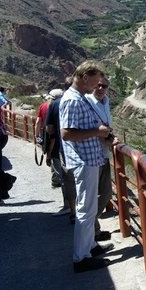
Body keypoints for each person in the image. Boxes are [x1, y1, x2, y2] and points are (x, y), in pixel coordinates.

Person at [60, 61, 114, 273]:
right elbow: (66, 133)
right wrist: (98, 132)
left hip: (89, 160)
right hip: (84, 161)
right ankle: (81, 257)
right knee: (85, 209)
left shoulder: (79, 98)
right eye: (95, 80)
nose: (97, 85)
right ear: (84, 77)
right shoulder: (73, 101)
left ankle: (90, 246)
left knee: (90, 208)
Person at [85, 76, 117, 242]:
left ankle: (92, 227)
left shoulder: (106, 101)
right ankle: (91, 231)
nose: (101, 88)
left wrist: (111, 137)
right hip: (92, 155)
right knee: (91, 196)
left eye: (104, 86)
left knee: (105, 193)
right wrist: (104, 137)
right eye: (98, 85)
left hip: (104, 154)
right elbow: (90, 128)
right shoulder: (87, 102)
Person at [44, 83, 76, 222]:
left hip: (59, 149)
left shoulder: (54, 105)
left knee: (65, 179)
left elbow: (50, 132)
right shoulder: (75, 102)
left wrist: (49, 153)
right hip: (75, 147)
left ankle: (68, 206)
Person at [36, 89, 64, 188]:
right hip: (61, 138)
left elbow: (38, 122)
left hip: (49, 136)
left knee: (54, 159)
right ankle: (57, 180)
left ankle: (56, 180)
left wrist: (37, 136)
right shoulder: (64, 106)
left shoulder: (44, 106)